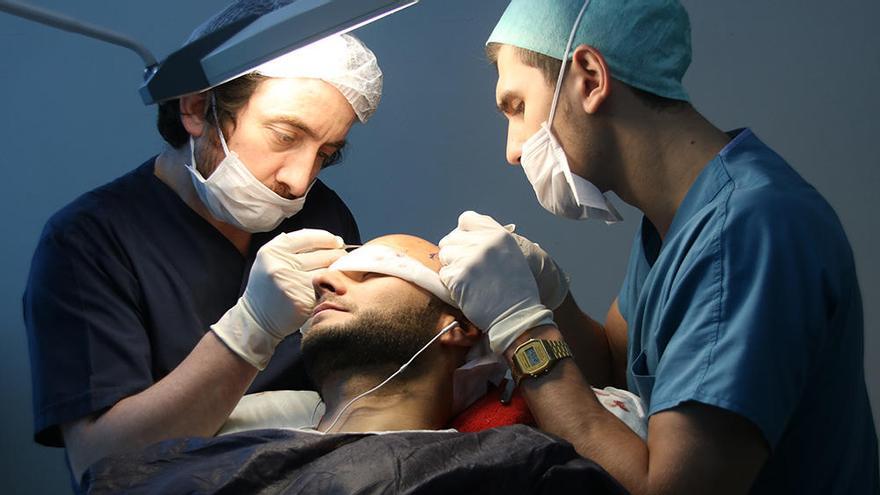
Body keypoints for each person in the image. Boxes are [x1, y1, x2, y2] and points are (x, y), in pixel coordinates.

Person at [437, 1, 879, 494]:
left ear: (590, 78)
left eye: (518, 106)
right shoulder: (679, 217)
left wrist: (520, 328)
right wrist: (547, 292)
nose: (512, 150)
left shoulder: (749, 231)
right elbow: (614, 365)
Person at [22, 0, 382, 482]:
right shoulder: (87, 241)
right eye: (284, 135)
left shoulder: (321, 214)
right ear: (196, 107)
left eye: (326, 154)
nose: (299, 180)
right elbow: (101, 461)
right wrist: (251, 328)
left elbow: (360, 384)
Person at [217, 234, 646, 438]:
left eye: (372, 271)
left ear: (460, 328)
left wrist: (531, 313)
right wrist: (249, 324)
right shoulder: (252, 422)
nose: (323, 280)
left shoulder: (520, 450)